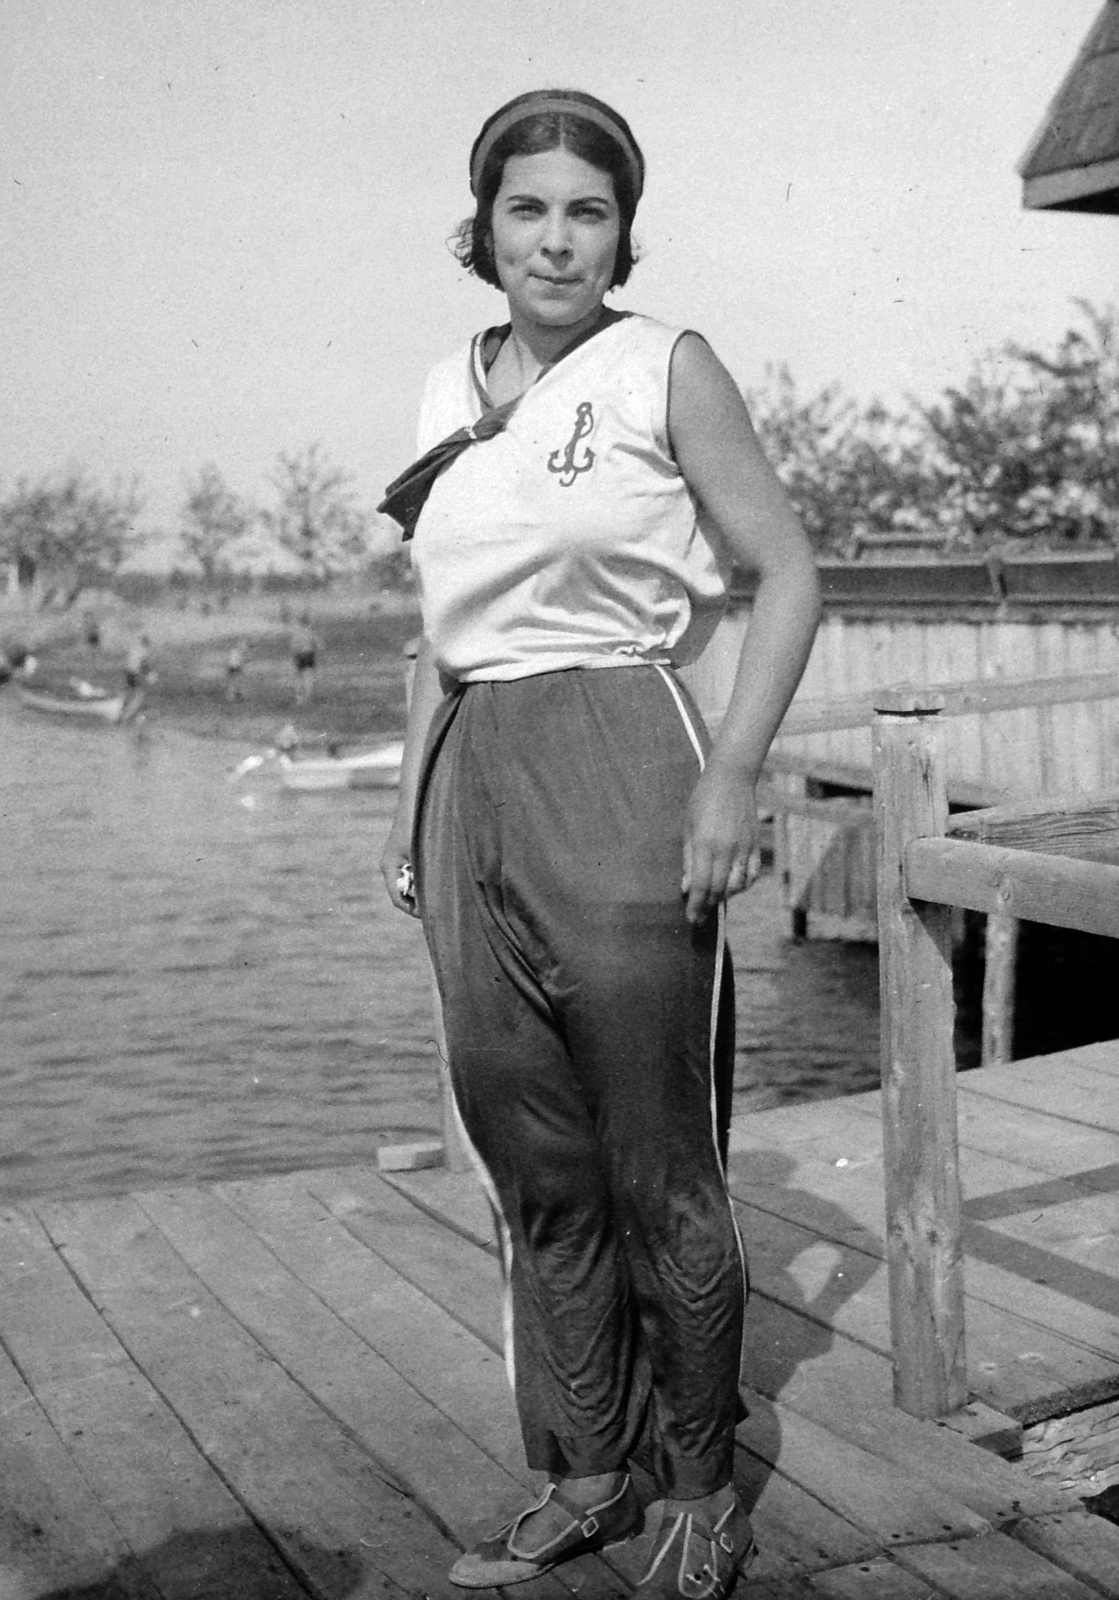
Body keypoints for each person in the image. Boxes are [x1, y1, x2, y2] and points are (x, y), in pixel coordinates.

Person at [378, 89, 821, 1599]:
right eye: (527, 208)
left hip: (624, 752)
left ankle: (698, 1485)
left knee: (656, 1163)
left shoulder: (660, 366)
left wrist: (732, 776)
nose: (554, 238)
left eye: (585, 210)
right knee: (531, 1160)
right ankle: (581, 1468)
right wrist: (406, 812)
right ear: (482, 225)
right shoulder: (446, 388)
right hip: (469, 775)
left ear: (621, 231)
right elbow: (437, 636)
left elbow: (785, 573)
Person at [290, 612, 318, 705]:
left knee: (298, 676)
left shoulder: (297, 633)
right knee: (309, 676)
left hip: (300, 655)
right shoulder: (311, 632)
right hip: (310, 654)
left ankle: (299, 697)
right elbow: (319, 645)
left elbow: (294, 646)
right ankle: (308, 696)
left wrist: (294, 656)